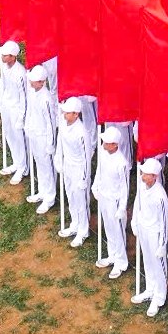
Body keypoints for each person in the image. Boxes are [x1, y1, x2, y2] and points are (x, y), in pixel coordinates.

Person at [131, 157, 168, 315]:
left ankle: (159, 296)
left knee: (158, 265)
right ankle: (150, 288)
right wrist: (135, 221)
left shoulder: (160, 196)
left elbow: (165, 221)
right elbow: (137, 204)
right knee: (147, 260)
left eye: (147, 174)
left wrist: (162, 244)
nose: (143, 176)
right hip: (143, 228)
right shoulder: (141, 186)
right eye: (143, 173)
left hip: (155, 232)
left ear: (155, 176)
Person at [55, 98, 95, 246]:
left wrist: (84, 178)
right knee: (70, 195)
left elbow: (86, 157)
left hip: (79, 169)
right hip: (68, 165)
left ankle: (83, 230)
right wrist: (59, 160)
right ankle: (75, 223)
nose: (64, 114)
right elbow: (60, 142)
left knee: (81, 200)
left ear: (76, 114)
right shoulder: (64, 124)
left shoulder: (81, 133)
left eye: (67, 112)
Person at [93, 125, 131, 277]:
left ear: (115, 144)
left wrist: (122, 207)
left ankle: (121, 262)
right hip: (104, 196)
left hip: (115, 201)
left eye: (107, 142)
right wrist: (95, 187)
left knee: (118, 231)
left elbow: (124, 187)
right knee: (108, 228)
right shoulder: (103, 154)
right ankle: (113, 254)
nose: (103, 144)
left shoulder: (121, 163)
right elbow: (99, 171)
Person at [22, 66, 57, 209]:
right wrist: (28, 125)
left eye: (34, 81)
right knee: (39, 164)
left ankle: (50, 197)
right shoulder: (33, 93)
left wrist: (51, 143)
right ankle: (42, 191)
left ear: (42, 82)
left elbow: (51, 123)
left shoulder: (46, 99)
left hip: (44, 137)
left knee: (47, 167)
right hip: (35, 133)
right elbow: (30, 111)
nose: (31, 83)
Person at [0, 40, 29, 184]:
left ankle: (23, 167)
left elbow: (23, 97)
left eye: (5, 55)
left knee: (19, 138)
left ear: (13, 56)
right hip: (7, 106)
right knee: (9, 134)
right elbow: (3, 83)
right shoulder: (4, 67)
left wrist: (21, 117)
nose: (2, 57)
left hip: (16, 109)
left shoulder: (20, 73)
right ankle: (16, 162)